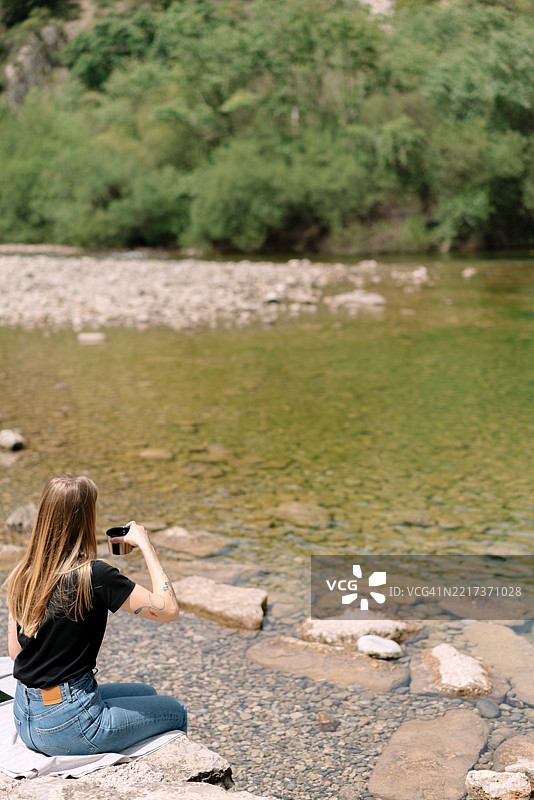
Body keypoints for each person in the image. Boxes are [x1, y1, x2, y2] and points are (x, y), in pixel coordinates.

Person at [5, 473, 187, 756]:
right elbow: (169, 609)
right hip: (70, 725)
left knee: (146, 692)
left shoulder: (23, 574)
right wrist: (146, 547)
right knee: (175, 710)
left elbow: (16, 653)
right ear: (85, 518)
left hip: (25, 715)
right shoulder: (95, 575)